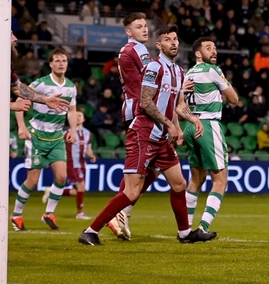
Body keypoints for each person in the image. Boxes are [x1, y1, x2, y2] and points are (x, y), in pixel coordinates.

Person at [78, 26, 212, 245]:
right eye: (168, 40)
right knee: (132, 192)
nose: (174, 43)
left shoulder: (179, 72)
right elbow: (145, 102)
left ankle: (185, 233)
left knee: (179, 184)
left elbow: (178, 104)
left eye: (176, 39)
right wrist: (169, 124)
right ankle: (90, 231)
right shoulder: (153, 67)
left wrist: (192, 119)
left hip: (161, 137)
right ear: (159, 45)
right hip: (143, 134)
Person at [0, 31, 56, 230]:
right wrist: (11, 106)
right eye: (11, 35)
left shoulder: (3, 62)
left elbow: (18, 88)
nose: (16, 39)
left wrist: (45, 99)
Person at [12, 48, 79, 231]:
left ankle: (49, 213)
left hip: (57, 136)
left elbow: (72, 111)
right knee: (33, 180)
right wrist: (21, 126)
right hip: (36, 136)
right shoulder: (40, 84)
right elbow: (21, 100)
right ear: (50, 64)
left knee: (62, 176)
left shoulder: (70, 87)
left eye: (64, 60)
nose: (60, 63)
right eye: (56, 60)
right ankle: (16, 215)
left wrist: (73, 129)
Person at [183, 37, 240, 234]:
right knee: (220, 180)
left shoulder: (188, 73)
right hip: (208, 124)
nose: (214, 51)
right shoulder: (212, 70)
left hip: (190, 125)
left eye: (215, 48)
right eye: (208, 48)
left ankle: (186, 228)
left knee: (195, 180)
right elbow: (234, 99)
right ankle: (203, 227)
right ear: (198, 53)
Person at [106, 13, 154, 241]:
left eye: (145, 26)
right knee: (141, 167)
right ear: (128, 32)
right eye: (138, 26)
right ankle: (118, 212)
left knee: (151, 166)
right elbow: (153, 78)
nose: (144, 29)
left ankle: (122, 212)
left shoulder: (130, 50)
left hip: (131, 107)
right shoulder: (137, 50)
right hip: (141, 109)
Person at [43, 111, 96, 219]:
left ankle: (52, 191)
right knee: (82, 188)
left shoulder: (88, 133)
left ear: (84, 119)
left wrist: (91, 155)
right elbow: (56, 145)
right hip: (72, 164)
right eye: (75, 116)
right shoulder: (67, 133)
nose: (77, 118)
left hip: (82, 164)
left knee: (77, 191)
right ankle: (80, 213)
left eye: (79, 116)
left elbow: (88, 148)